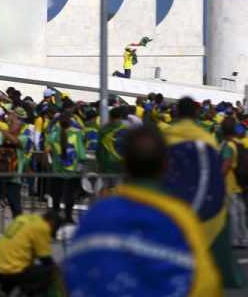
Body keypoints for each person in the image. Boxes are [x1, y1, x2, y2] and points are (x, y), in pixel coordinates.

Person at [64, 125, 221, 296]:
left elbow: (71, 274)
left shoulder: (97, 215)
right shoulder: (182, 217)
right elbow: (205, 285)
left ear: (125, 165)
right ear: (165, 166)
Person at [164, 96, 244, 287]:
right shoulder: (206, 138)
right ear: (195, 113)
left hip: (172, 198)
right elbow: (214, 169)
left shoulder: (166, 135)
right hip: (200, 195)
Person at [0, 210, 62, 296]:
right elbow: (45, 258)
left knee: (21, 267)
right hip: (10, 270)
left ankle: (3, 292)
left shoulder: (23, 218)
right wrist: (58, 271)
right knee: (49, 271)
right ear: (52, 223)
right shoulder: (42, 227)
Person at [0, 111, 27, 240]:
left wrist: (3, 131)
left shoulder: (23, 137)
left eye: (12, 123)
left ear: (19, 126)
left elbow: (15, 141)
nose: (10, 125)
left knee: (16, 207)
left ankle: (19, 232)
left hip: (13, 179)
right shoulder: (2, 137)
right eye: (10, 123)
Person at [45, 113, 85, 224]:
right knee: (70, 196)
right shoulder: (76, 135)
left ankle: (54, 217)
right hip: (72, 172)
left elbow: (47, 150)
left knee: (56, 195)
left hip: (57, 171)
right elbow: (81, 155)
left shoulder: (53, 135)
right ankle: (68, 216)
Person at [221, 117, 248, 248]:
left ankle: (235, 239)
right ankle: (243, 238)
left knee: (233, 212)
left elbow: (226, 165)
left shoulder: (228, 146)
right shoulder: (239, 143)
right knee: (241, 211)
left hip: (230, 183)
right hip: (240, 182)